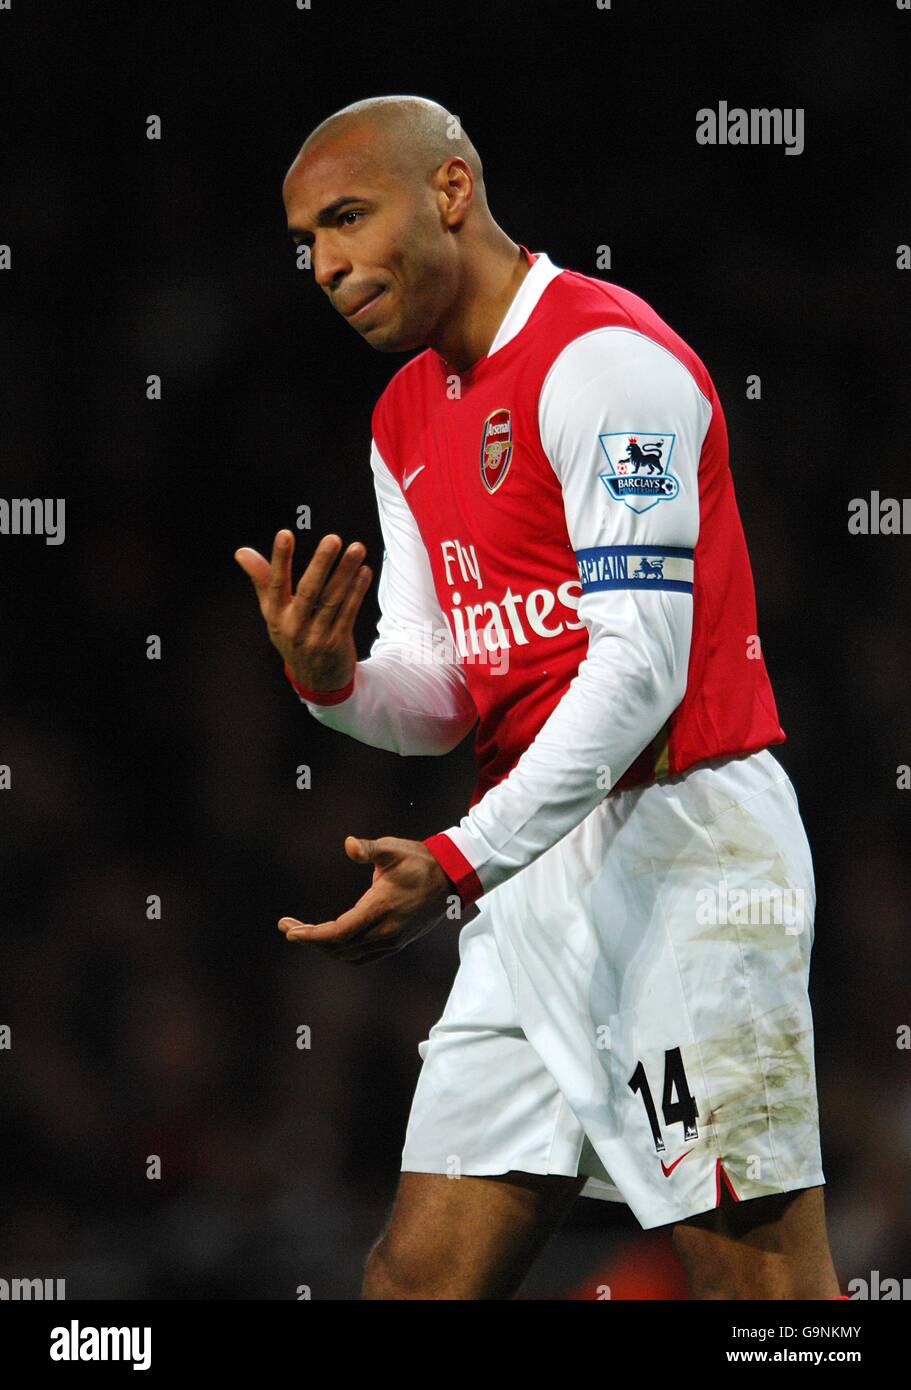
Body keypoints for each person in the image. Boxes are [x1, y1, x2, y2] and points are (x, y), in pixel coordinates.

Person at [235, 95, 845, 1300]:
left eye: (349, 219)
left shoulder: (603, 362)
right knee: (414, 1283)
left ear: (450, 191)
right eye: (307, 241)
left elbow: (640, 667)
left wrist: (458, 862)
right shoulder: (403, 412)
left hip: (686, 859)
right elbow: (448, 685)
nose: (327, 265)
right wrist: (334, 684)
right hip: (532, 879)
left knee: (760, 1294)